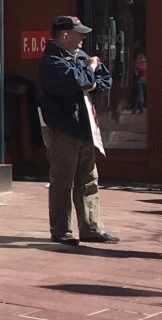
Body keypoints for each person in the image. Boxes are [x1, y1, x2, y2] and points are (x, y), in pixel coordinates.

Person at [36, 14, 119, 246]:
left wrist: (90, 78)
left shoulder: (80, 56)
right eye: (79, 34)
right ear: (65, 35)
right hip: (63, 129)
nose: (83, 38)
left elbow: (105, 78)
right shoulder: (52, 61)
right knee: (63, 181)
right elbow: (80, 81)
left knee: (89, 180)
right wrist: (89, 72)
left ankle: (92, 229)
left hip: (85, 127)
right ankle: (61, 230)